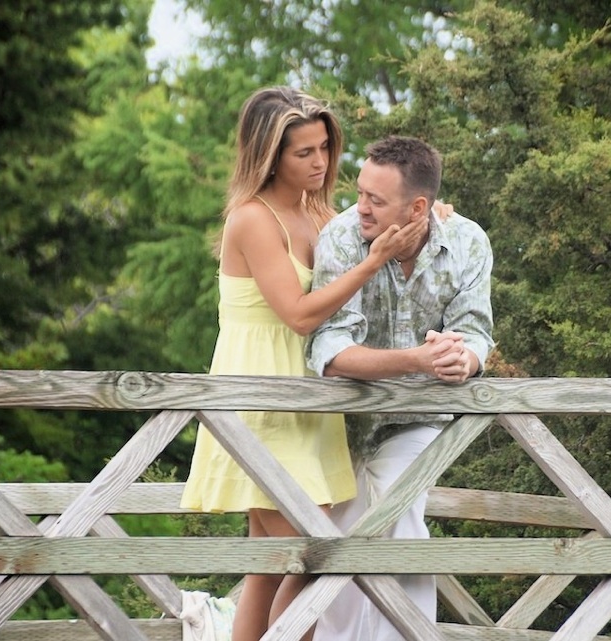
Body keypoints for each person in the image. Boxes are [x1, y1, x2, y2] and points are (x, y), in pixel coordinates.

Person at [179, 87, 428, 641]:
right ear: (268, 155)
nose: (319, 163)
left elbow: (381, 245)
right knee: (311, 558)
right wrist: (374, 261)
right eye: (303, 153)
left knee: (270, 563)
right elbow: (296, 314)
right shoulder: (251, 218)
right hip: (263, 398)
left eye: (324, 148)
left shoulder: (320, 211)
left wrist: (431, 222)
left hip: (310, 395)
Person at [308, 135, 494, 641]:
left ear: (418, 207)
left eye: (376, 199)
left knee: (400, 512)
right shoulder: (342, 238)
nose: (361, 207)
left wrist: (464, 359)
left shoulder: (469, 241)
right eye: (360, 191)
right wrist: (417, 360)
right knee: (340, 548)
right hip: (339, 423)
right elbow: (330, 352)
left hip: (418, 419)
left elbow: (476, 328)